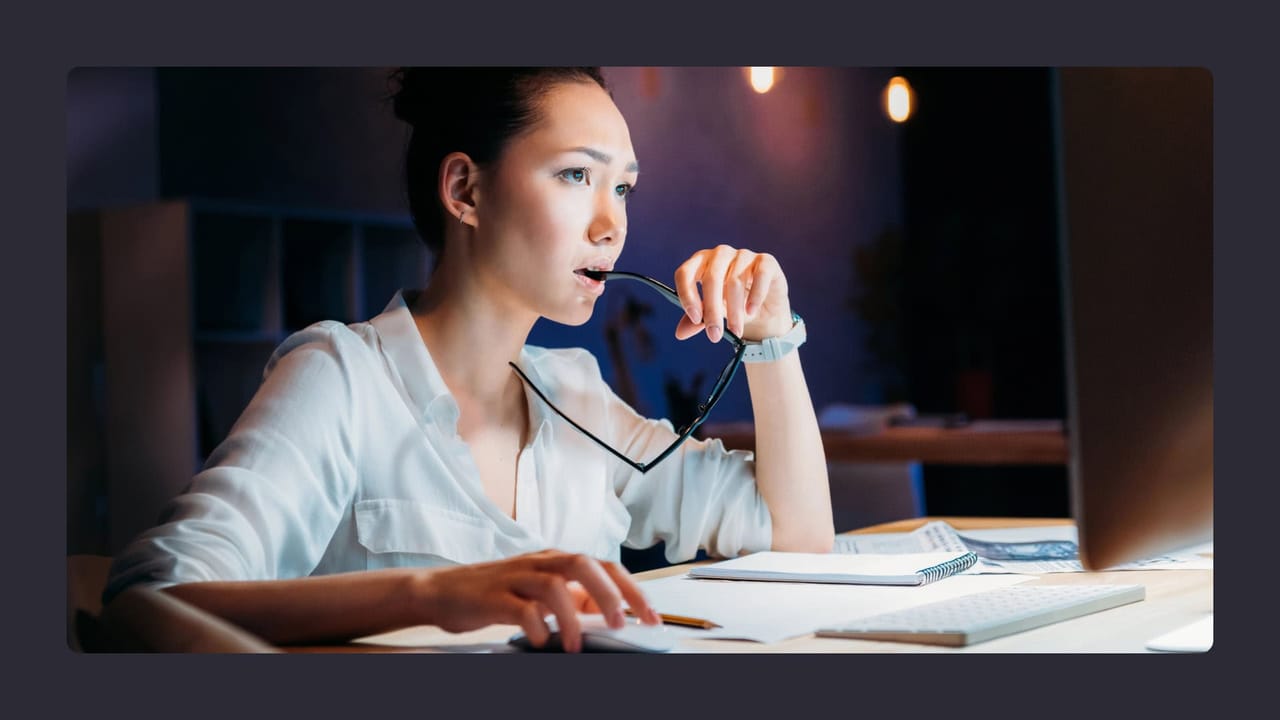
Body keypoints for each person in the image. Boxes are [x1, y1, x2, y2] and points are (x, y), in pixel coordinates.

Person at [103, 67, 834, 651]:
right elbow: (150, 600)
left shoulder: (577, 393)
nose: (612, 225)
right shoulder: (341, 376)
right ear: (465, 189)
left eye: (624, 188)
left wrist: (770, 337)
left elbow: (798, 538)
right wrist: (433, 595)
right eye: (577, 176)